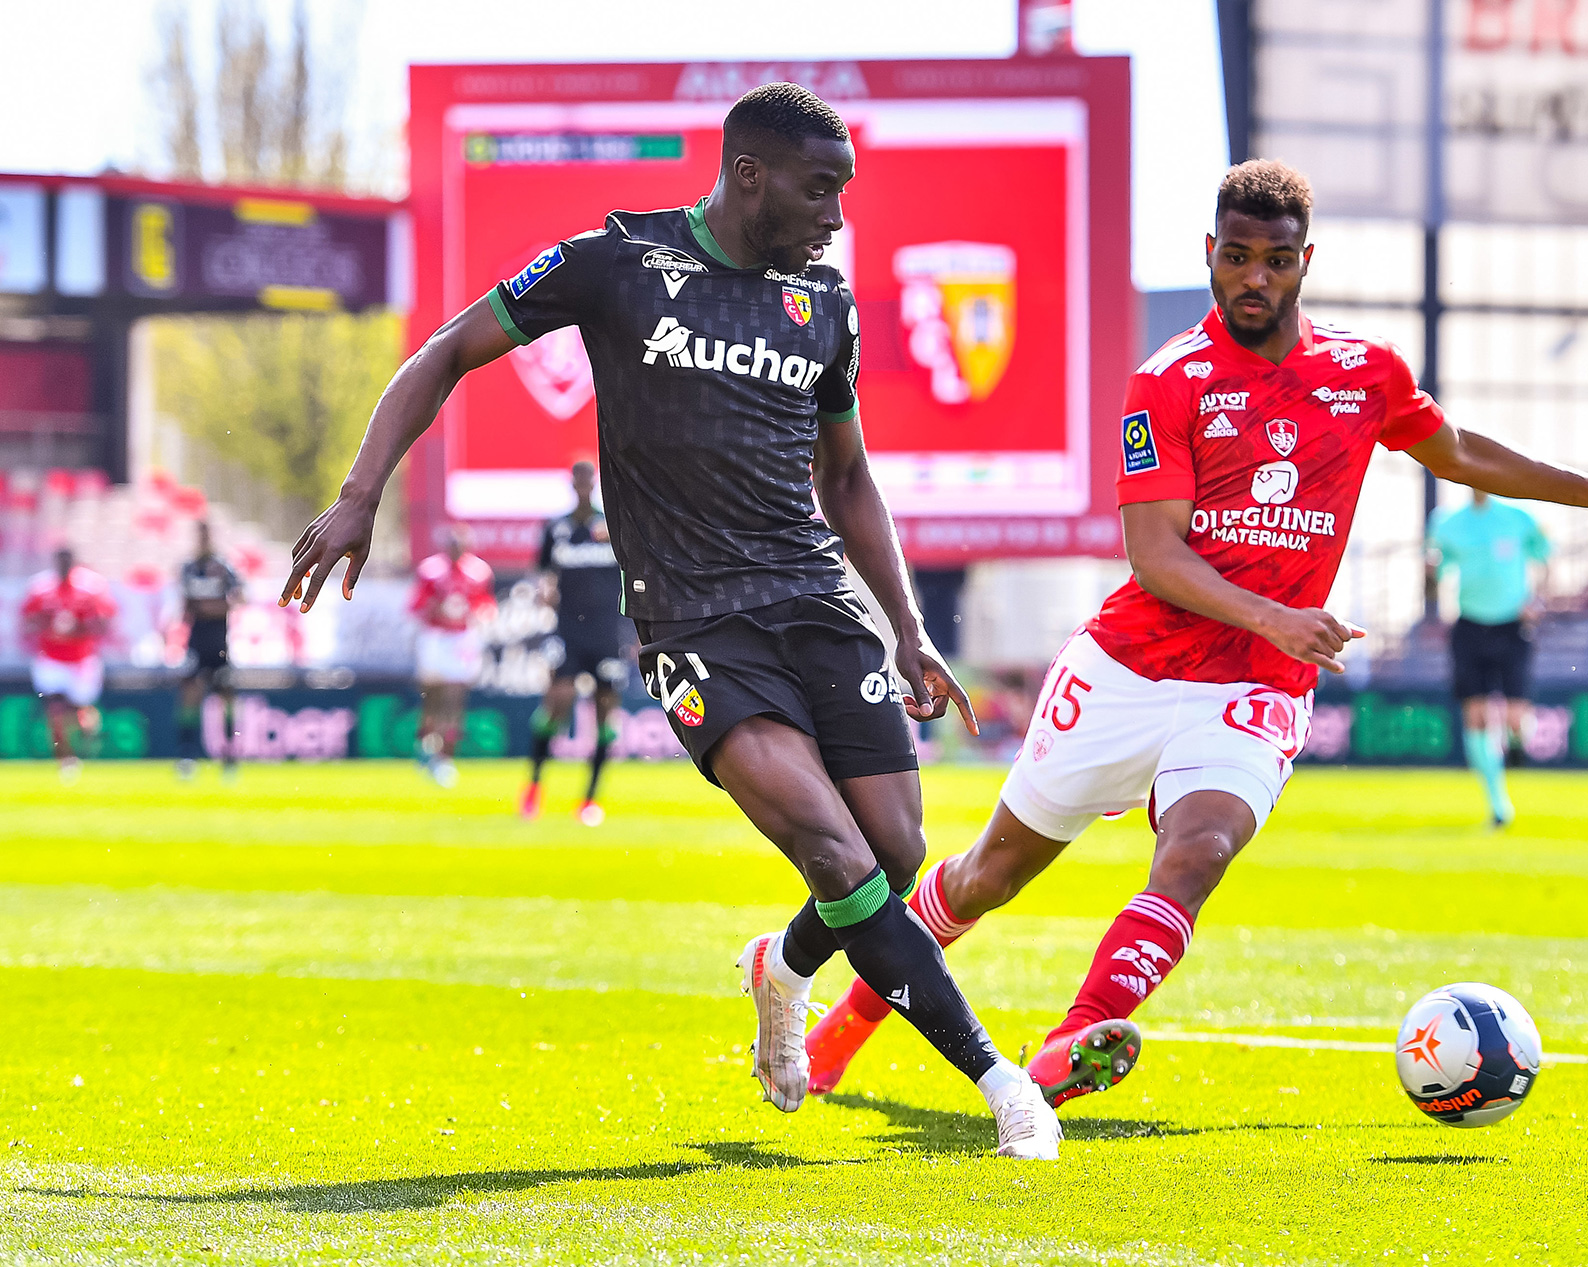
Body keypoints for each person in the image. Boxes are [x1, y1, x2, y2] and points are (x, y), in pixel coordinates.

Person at [282, 83, 1061, 1159]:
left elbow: (848, 481)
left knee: (892, 847)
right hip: (696, 626)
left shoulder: (819, 304)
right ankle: (1001, 1081)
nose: (835, 214)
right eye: (818, 187)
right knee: (838, 859)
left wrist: (911, 629)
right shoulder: (616, 264)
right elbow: (446, 351)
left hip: (819, 607)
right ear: (748, 174)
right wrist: (361, 495)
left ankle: (780, 967)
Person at [806, 159, 1588, 1106]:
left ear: (1305, 261)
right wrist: (1278, 613)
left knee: (1199, 852)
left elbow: (1461, 449)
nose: (1254, 278)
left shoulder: (1365, 374)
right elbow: (1154, 556)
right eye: (1236, 257)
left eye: (1274, 260)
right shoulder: (1170, 379)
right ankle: (847, 1021)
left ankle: (1074, 1038)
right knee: (990, 874)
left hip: (1258, 683)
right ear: (1210, 256)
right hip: (1129, 668)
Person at [1428, 489, 1551, 826]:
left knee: (1515, 718)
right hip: (1469, 625)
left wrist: (1538, 600)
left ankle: (1516, 744)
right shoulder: (1447, 523)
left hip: (1512, 625)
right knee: (1477, 717)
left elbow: (1545, 557)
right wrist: (1430, 572)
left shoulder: (1519, 517)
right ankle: (1498, 805)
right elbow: (1436, 575)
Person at [522, 459, 630, 825]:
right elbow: (541, 575)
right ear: (571, 484)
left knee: (604, 711)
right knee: (559, 702)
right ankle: (534, 788)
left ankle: (589, 799)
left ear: (594, 483)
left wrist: (632, 632)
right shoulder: (556, 528)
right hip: (568, 628)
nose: (583, 485)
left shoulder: (611, 525)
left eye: (588, 480)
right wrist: (543, 590)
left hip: (606, 631)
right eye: (578, 480)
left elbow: (632, 572)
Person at [21, 546, 119, 783]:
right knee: (55, 710)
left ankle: (87, 725)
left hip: (82, 661)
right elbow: (28, 622)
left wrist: (78, 629)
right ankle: (65, 760)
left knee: (78, 714)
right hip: (52, 659)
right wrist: (49, 626)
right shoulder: (41, 588)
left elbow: (104, 624)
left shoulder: (91, 588)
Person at [409, 524, 496, 788]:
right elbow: (416, 606)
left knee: (455, 695)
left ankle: (445, 756)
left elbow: (486, 605)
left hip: (461, 637)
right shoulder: (431, 571)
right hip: (436, 637)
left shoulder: (478, 572)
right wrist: (435, 608)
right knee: (432, 697)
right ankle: (426, 744)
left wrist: (476, 614)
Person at [175, 521, 243, 780]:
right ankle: (187, 756)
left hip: (219, 644)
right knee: (189, 699)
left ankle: (230, 758)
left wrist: (209, 609)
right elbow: (185, 607)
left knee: (226, 699)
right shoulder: (188, 568)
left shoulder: (224, 567)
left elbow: (238, 599)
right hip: (196, 643)